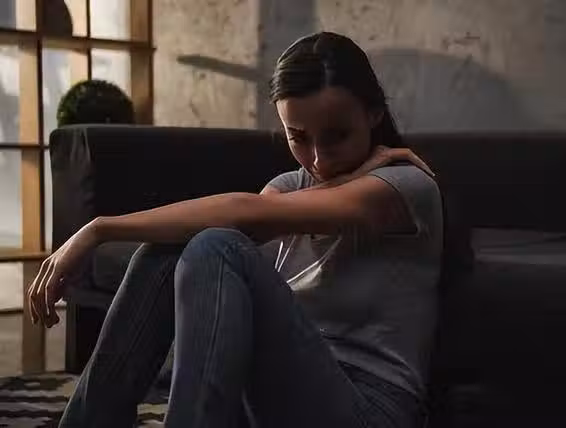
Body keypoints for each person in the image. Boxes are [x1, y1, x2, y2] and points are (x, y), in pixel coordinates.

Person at [28, 31, 443, 428]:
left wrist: (100, 228)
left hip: (367, 408)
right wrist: (96, 229)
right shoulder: (289, 187)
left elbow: (242, 215)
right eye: (298, 137)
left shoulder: (406, 185)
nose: (318, 159)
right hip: (275, 399)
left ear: (373, 113)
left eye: (336, 136)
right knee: (168, 251)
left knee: (217, 244)